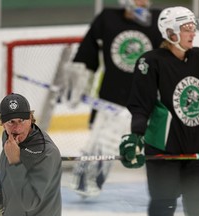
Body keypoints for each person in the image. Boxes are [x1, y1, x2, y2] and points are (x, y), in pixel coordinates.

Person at [119, 6, 199, 216]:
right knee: (164, 208)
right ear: (170, 31)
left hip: (196, 151)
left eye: (193, 28)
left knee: (198, 209)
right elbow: (141, 106)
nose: (192, 33)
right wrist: (136, 136)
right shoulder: (151, 62)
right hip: (163, 153)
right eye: (186, 28)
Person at [66, 0, 164, 197]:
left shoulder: (160, 21)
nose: (142, 2)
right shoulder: (107, 19)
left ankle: (170, 187)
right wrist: (78, 80)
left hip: (149, 100)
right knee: (102, 146)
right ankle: (88, 179)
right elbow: (86, 55)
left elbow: (174, 60)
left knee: (164, 151)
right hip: (112, 99)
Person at [0, 93, 62, 216]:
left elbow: (30, 202)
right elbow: (5, 172)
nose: (17, 128)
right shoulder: (8, 139)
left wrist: (15, 162)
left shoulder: (46, 153)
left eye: (22, 120)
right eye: (11, 122)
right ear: (2, 123)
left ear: (31, 118)